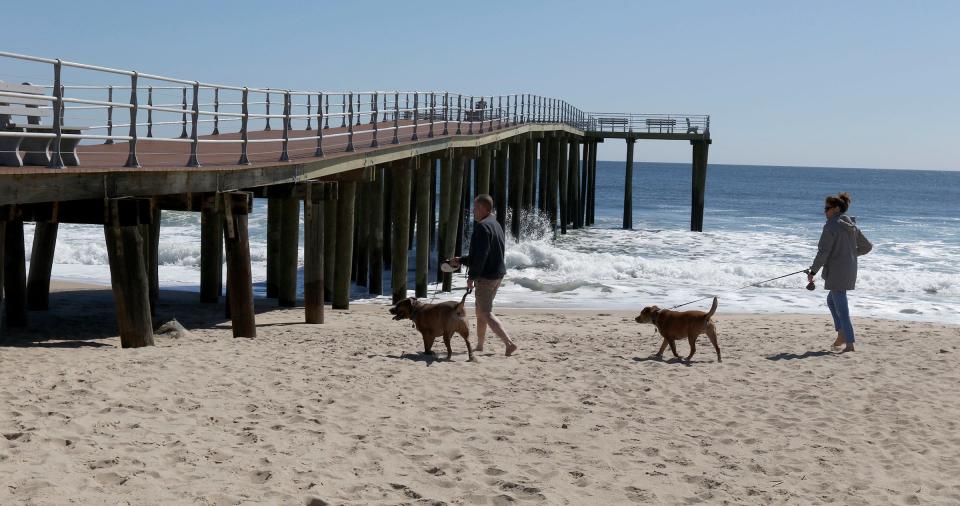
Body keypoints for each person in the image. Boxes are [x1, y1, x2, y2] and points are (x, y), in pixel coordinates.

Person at [450, 195, 517, 356]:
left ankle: (509, 343)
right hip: (498, 274)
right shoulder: (495, 224)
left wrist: (471, 277)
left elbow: (481, 256)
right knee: (480, 312)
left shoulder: (482, 227)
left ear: (482, 208)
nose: (473, 211)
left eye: (475, 208)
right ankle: (480, 345)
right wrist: (462, 260)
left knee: (485, 312)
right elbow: (485, 254)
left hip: (486, 277)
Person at [807, 192, 872, 352]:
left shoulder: (830, 226)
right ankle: (842, 334)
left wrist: (813, 271)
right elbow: (867, 247)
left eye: (827, 208)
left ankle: (849, 343)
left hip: (837, 271)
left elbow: (823, 252)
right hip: (849, 269)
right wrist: (849, 254)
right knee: (831, 301)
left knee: (842, 308)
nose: (825, 211)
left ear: (835, 209)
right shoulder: (851, 225)